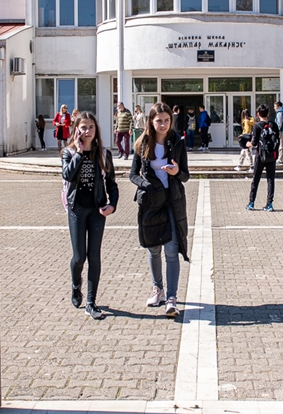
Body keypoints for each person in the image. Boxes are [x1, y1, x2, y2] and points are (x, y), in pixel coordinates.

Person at [129, 102, 190, 317]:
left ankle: (171, 298)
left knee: (171, 250)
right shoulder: (142, 143)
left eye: (166, 120)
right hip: (151, 203)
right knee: (153, 249)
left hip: (173, 202)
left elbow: (186, 175)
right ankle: (158, 289)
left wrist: (176, 172)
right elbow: (133, 174)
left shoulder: (178, 142)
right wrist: (146, 185)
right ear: (151, 122)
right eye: (159, 121)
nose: (163, 125)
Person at [61, 111, 118, 320]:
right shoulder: (68, 152)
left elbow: (111, 183)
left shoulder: (103, 154)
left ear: (96, 130)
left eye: (91, 127)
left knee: (94, 255)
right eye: (83, 127)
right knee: (79, 257)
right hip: (76, 209)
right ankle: (76, 285)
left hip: (97, 210)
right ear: (76, 130)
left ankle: (91, 303)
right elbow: (67, 175)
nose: (87, 131)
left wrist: (112, 204)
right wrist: (79, 152)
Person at [246, 104, 280, 212]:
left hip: (260, 155)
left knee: (256, 179)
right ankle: (269, 204)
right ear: (268, 113)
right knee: (270, 179)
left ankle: (251, 203)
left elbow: (254, 142)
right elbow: (277, 140)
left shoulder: (257, 126)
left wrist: (248, 144)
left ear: (258, 114)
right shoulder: (274, 125)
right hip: (272, 156)